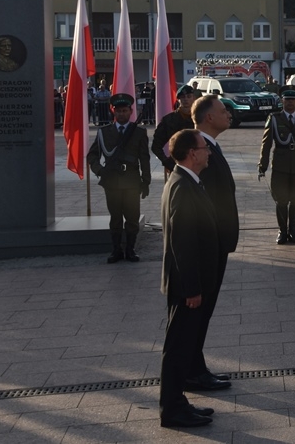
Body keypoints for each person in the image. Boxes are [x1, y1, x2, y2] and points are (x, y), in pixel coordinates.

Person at [159, 129, 220, 428]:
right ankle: (171, 410)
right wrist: (193, 288)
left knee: (182, 347)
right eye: (204, 147)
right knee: (178, 348)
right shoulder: (183, 186)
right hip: (186, 286)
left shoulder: (186, 180)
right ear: (192, 153)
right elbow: (182, 243)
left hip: (189, 283)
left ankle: (178, 402)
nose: (209, 152)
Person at [189, 94, 237, 392]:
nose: (228, 114)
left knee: (204, 312)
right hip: (208, 244)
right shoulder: (199, 151)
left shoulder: (211, 146)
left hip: (217, 242)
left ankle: (196, 367)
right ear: (209, 117)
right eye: (222, 110)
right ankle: (192, 371)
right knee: (199, 311)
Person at [86, 93, 151, 264]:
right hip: (112, 181)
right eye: (118, 111)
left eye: (124, 111)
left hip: (131, 181)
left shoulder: (139, 132)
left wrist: (146, 181)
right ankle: (116, 250)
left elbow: (144, 158)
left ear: (131, 111)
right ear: (113, 112)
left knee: (132, 218)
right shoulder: (104, 132)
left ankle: (130, 249)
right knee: (115, 218)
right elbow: (92, 155)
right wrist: (100, 171)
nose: (121, 114)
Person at [258, 85, 295, 245]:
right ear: (282, 101)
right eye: (287, 99)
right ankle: (282, 232)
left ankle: (293, 231)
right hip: (280, 165)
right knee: (281, 199)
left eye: (293, 99)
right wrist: (263, 165)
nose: (290, 102)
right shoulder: (274, 118)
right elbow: (266, 143)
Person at [152, 85, 198, 175]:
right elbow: (156, 146)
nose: (186, 99)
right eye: (182, 97)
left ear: (194, 98)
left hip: (198, 164)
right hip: (177, 165)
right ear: (178, 99)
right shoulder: (169, 120)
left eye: (189, 96)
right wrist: (167, 162)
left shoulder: (200, 118)